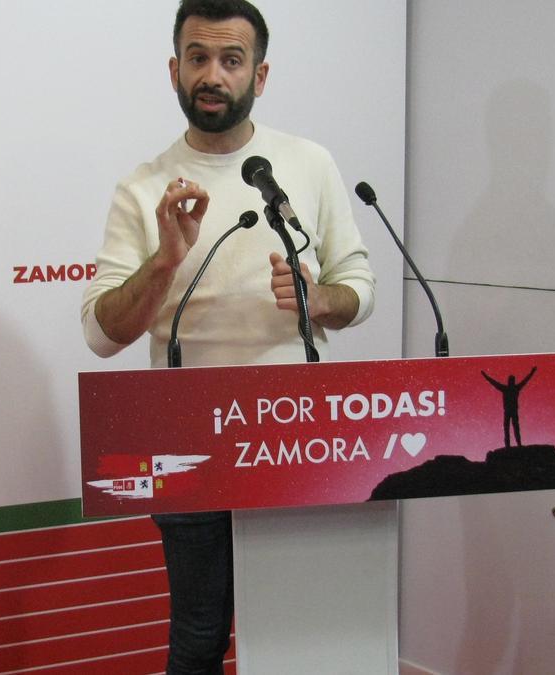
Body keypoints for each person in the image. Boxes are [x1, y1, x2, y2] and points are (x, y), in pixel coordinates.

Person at [80, 1, 376, 672]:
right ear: (174, 70)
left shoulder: (306, 163)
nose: (213, 75)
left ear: (260, 76)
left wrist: (319, 297)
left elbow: (360, 287)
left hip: (299, 430)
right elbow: (102, 335)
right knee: (199, 633)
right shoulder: (143, 188)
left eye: (231, 60)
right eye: (198, 58)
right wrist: (164, 260)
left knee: (304, 636)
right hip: (187, 439)